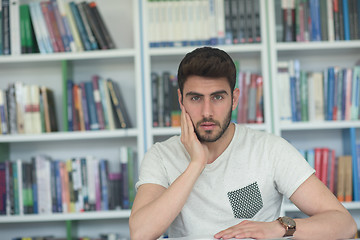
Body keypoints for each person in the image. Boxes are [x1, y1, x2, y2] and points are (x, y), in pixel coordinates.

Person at [129, 47, 357, 240]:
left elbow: (345, 224)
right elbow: (140, 233)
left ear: (234, 99)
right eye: (195, 98)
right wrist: (196, 163)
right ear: (181, 100)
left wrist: (279, 228)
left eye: (218, 97)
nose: (207, 112)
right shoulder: (161, 156)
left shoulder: (269, 149)